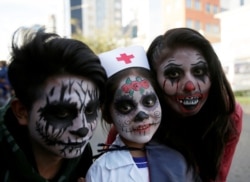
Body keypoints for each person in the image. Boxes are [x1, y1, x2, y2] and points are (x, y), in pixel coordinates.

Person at [0, 27, 107, 182]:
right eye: (62, 113)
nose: (82, 129)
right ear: (22, 111)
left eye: (90, 111)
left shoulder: (82, 157)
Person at [86, 46, 199, 182]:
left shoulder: (180, 160)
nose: (142, 115)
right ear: (107, 114)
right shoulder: (101, 172)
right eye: (126, 107)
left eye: (149, 101)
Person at [145, 27, 243, 182]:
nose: (190, 86)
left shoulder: (228, 115)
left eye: (199, 71)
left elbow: (216, 177)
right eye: (174, 74)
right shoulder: (135, 116)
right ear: (153, 79)